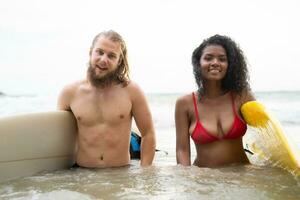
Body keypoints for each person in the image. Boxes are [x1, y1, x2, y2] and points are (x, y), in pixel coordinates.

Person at [57, 30, 156, 168]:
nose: (104, 60)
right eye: (100, 52)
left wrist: (145, 174)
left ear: (119, 60)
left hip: (121, 175)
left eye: (111, 56)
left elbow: (148, 133)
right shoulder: (69, 93)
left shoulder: (131, 91)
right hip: (83, 175)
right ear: (91, 52)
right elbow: (60, 139)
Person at [175, 34, 255, 167]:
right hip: (205, 181)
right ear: (198, 63)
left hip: (241, 178)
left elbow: (266, 134)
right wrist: (187, 179)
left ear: (230, 65)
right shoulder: (185, 103)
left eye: (222, 59)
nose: (215, 63)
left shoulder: (242, 96)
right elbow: (182, 150)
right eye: (208, 58)